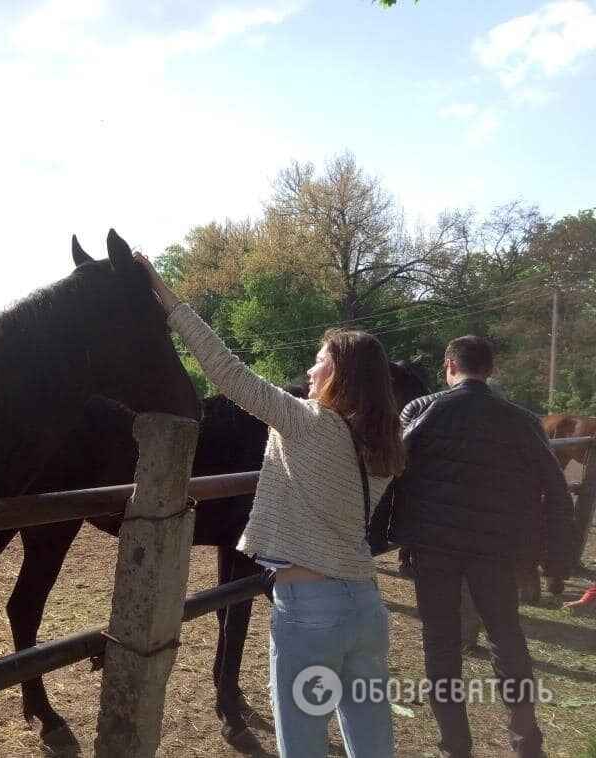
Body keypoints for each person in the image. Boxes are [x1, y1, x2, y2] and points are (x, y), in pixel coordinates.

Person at [134, 253, 404, 758]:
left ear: (339, 374)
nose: (308, 367)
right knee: (372, 744)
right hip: (365, 606)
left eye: (319, 360)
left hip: (309, 611)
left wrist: (164, 295)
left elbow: (226, 370)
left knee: (301, 746)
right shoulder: (386, 445)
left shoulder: (305, 422)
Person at [390, 335, 576, 758]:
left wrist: (379, 538)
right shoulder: (524, 420)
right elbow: (556, 490)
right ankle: (528, 744)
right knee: (506, 638)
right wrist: (557, 561)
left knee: (440, 642)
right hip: (499, 551)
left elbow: (390, 473)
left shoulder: (419, 411)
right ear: (489, 370)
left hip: (433, 547)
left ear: (449, 366)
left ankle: (455, 746)